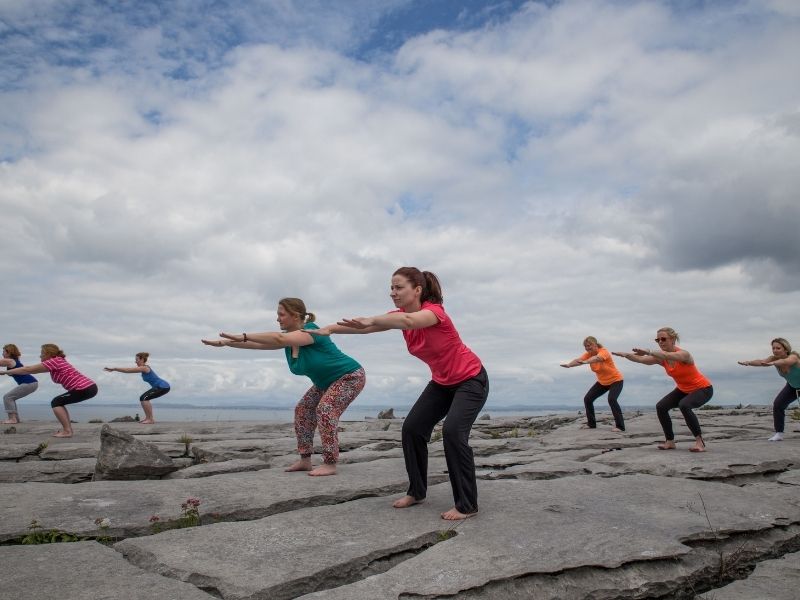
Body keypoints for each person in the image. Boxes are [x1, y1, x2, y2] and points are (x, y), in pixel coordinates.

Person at [313, 267, 489, 521]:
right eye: (391, 288)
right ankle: (417, 491)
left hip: (471, 380)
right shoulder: (398, 317)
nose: (392, 293)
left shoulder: (434, 314)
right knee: (412, 429)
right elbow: (365, 328)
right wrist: (328, 329)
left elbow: (405, 321)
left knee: (453, 432)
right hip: (442, 383)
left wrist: (372, 319)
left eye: (398, 287)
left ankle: (467, 504)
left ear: (417, 290)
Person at [201, 297, 365, 477]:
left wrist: (244, 334)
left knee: (325, 410)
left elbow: (277, 337)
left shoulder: (311, 331)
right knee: (303, 410)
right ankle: (305, 460)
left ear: (295, 316)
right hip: (325, 383)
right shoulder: (289, 343)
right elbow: (257, 345)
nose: (278, 319)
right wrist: (226, 343)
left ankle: (330, 463)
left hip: (349, 377)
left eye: (281, 314)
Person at [613, 327, 712, 452]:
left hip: (703, 389)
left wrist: (649, 351)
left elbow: (665, 354)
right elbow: (642, 359)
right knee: (661, 406)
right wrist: (626, 355)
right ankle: (670, 441)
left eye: (663, 339)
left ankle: (699, 442)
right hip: (683, 389)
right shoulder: (661, 358)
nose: (660, 342)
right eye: (657, 340)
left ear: (673, 339)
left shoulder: (684, 355)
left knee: (684, 405)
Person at [0, 343, 97, 437]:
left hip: (84, 387)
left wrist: (5, 371)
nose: (40, 356)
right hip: (87, 387)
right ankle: (67, 430)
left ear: (48, 354)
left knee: (56, 402)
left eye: (42, 353)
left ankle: (67, 431)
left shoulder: (55, 361)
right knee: (58, 402)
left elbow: (28, 369)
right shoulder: (57, 362)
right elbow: (30, 370)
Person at [738, 337, 800, 441]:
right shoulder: (773, 358)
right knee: (778, 404)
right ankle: (779, 434)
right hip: (792, 387)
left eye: (778, 348)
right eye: (773, 348)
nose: (775, 350)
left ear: (785, 349)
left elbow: (786, 361)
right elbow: (761, 362)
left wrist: (774, 363)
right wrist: (748, 362)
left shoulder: (793, 356)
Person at [561, 336, 625, 431]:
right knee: (588, 399)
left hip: (616, 380)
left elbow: (597, 358)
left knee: (612, 399)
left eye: (589, 345)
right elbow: (578, 360)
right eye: (586, 346)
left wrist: (586, 362)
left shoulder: (603, 352)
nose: (587, 348)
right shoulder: (588, 354)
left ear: (595, 344)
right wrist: (569, 365)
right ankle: (591, 424)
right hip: (602, 382)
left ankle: (620, 426)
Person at [104, 352, 170, 424]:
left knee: (144, 398)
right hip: (161, 386)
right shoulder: (143, 368)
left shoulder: (145, 368)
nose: (135, 361)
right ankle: (148, 418)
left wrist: (115, 369)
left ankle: (150, 419)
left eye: (137, 359)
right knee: (143, 398)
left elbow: (128, 370)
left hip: (162, 386)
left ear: (142, 359)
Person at [1, 344, 39, 424]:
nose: (2, 353)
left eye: (4, 351)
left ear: (9, 352)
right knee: (11, 398)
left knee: (8, 397)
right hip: (31, 383)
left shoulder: (10, 360)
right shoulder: (14, 361)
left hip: (29, 382)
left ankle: (12, 419)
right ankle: (15, 419)